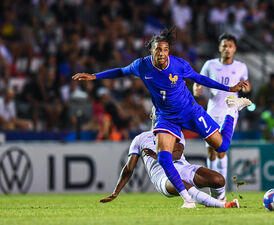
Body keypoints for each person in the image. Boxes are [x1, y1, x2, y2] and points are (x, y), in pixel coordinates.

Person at [72, 27, 251, 208]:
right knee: (164, 159)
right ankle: (188, 200)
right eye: (158, 49)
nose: (162, 53)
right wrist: (94, 76)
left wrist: (229, 89)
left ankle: (232, 109)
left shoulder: (179, 65)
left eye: (165, 50)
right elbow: (120, 71)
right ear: (151, 50)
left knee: (222, 146)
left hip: (190, 111)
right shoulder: (142, 65)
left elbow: (200, 78)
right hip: (166, 117)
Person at [99, 129, 239, 208]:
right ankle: (223, 205)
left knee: (218, 180)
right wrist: (116, 192)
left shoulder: (176, 132)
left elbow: (177, 154)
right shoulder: (140, 139)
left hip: (183, 167)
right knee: (184, 186)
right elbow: (129, 168)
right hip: (162, 177)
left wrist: (159, 155)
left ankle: (214, 201)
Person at [193, 33, 251, 200]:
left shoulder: (241, 66)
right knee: (211, 151)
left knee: (221, 151)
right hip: (211, 112)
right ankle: (214, 189)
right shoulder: (210, 64)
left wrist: (246, 89)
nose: (227, 49)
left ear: (235, 49)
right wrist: (196, 90)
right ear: (219, 48)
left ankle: (221, 192)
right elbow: (199, 81)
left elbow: (246, 85)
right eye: (224, 46)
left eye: (230, 46)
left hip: (229, 113)